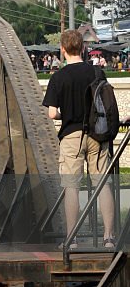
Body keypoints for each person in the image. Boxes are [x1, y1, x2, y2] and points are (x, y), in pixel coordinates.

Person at [43, 28, 115, 249]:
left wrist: (68, 115)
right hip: (97, 134)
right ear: (83, 48)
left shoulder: (58, 77)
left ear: (63, 50)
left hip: (71, 136)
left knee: (71, 186)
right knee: (103, 184)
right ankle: (108, 238)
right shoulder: (96, 73)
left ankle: (72, 239)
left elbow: (52, 113)